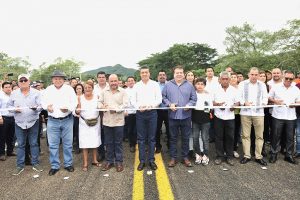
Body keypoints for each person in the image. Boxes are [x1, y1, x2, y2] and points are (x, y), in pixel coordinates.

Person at [42, 70, 77, 176]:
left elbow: (74, 102)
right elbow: (43, 102)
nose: (58, 80)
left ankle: (68, 164)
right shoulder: (48, 89)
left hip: (67, 119)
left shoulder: (69, 89)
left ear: (63, 79)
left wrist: (69, 109)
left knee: (67, 144)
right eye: (55, 78)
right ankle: (54, 165)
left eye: (60, 78)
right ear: (52, 79)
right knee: (53, 145)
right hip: (52, 120)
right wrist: (47, 107)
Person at [8, 74, 43, 175]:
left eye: (25, 80)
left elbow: (41, 106)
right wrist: (14, 109)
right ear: (18, 83)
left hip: (33, 121)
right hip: (19, 122)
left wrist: (36, 107)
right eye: (21, 81)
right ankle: (20, 166)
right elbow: (9, 106)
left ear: (29, 81)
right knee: (21, 145)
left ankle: (35, 163)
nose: (23, 82)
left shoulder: (36, 92)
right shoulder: (14, 93)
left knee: (34, 143)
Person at [162, 65, 197, 168]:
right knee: (173, 138)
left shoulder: (189, 85)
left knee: (185, 138)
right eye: (177, 72)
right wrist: (169, 104)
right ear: (174, 74)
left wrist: (189, 105)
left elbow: (194, 99)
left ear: (183, 73)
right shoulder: (168, 85)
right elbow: (163, 97)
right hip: (173, 116)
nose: (179, 74)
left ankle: (185, 157)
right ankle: (173, 158)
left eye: (181, 72)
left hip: (186, 116)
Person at [268, 70, 300, 164]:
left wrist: (295, 104)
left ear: (293, 79)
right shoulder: (276, 87)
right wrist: (275, 101)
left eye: (291, 79)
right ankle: (273, 154)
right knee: (275, 136)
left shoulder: (296, 89)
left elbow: (298, 101)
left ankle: (288, 155)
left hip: (291, 116)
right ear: (283, 77)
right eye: (287, 78)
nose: (288, 80)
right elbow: (269, 97)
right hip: (278, 115)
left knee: (290, 137)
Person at [239, 67, 268, 166]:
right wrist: (244, 103)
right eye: (252, 74)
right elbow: (239, 96)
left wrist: (262, 103)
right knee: (245, 135)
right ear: (248, 74)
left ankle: (258, 156)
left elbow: (265, 98)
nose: (254, 76)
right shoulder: (242, 84)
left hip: (259, 113)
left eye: (256, 75)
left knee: (259, 136)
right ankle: (247, 155)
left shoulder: (262, 84)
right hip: (245, 113)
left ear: (258, 75)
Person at [99, 74, 128, 172]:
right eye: (111, 81)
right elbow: (98, 102)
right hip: (107, 121)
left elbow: (125, 104)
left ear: (118, 81)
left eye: (115, 81)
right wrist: (102, 106)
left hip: (119, 121)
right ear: (108, 81)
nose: (113, 83)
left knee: (118, 142)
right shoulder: (104, 91)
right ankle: (109, 161)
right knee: (108, 142)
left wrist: (116, 110)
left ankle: (119, 162)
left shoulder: (123, 91)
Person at [134, 66, 162, 171]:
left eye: (146, 72)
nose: (144, 74)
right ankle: (142, 161)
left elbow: (159, 98)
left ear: (149, 73)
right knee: (141, 139)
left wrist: (152, 105)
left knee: (152, 138)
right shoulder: (137, 85)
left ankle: (151, 160)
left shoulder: (155, 84)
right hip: (140, 114)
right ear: (140, 74)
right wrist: (138, 107)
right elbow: (133, 100)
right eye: (142, 72)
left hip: (152, 113)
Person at [213, 72, 240, 165]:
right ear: (220, 80)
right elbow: (211, 102)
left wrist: (234, 106)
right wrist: (218, 105)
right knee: (218, 137)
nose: (224, 80)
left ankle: (229, 156)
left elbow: (238, 102)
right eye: (223, 79)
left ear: (229, 80)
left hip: (230, 117)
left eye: (226, 79)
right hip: (218, 116)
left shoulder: (234, 90)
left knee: (230, 137)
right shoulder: (215, 89)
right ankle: (219, 156)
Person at [75, 80, 101, 171]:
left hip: (95, 122)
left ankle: (95, 160)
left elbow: (100, 107)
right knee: (84, 143)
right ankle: (85, 163)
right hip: (84, 123)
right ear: (83, 89)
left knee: (95, 142)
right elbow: (77, 109)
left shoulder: (97, 97)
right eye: (85, 87)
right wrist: (77, 111)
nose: (87, 89)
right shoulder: (80, 98)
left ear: (92, 89)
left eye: (89, 87)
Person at [192, 78, 212, 165]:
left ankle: (206, 155)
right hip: (195, 118)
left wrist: (208, 113)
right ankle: (198, 154)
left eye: (202, 84)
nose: (199, 86)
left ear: (204, 85)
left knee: (205, 138)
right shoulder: (193, 94)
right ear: (195, 85)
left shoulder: (208, 94)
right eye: (198, 84)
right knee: (195, 138)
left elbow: (208, 107)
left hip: (205, 118)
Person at [94, 71, 109, 162]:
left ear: (105, 78)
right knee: (99, 133)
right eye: (99, 77)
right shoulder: (94, 88)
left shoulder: (109, 86)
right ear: (97, 78)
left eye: (103, 77)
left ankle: (110, 153)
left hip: (109, 113)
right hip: (98, 113)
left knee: (108, 133)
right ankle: (101, 153)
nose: (101, 79)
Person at [0, 82, 16, 161]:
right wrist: (0, 117)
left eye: (9, 87)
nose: (8, 88)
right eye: (6, 87)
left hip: (13, 118)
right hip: (4, 118)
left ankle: (10, 151)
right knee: (2, 136)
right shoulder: (1, 96)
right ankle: (2, 154)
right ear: (3, 88)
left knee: (11, 136)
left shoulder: (13, 95)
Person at [156, 70, 170, 153]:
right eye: (160, 75)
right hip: (157, 110)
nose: (162, 76)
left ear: (166, 76)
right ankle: (158, 146)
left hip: (168, 110)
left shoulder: (170, 85)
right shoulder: (155, 85)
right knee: (157, 129)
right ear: (158, 77)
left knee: (169, 129)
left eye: (163, 75)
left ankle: (170, 145)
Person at [124, 76, 137, 153]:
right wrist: (125, 111)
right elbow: (123, 102)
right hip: (129, 113)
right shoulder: (125, 91)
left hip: (137, 112)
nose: (130, 82)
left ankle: (136, 142)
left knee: (137, 130)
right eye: (129, 81)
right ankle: (132, 145)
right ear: (127, 83)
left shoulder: (137, 90)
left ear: (134, 81)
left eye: (132, 80)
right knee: (130, 130)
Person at [73, 83, 84, 154]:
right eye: (77, 89)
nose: (78, 90)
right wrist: (76, 114)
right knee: (77, 132)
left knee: (84, 132)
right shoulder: (74, 97)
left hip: (84, 117)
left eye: (80, 88)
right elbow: (72, 108)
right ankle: (78, 146)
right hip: (76, 117)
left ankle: (85, 146)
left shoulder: (84, 96)